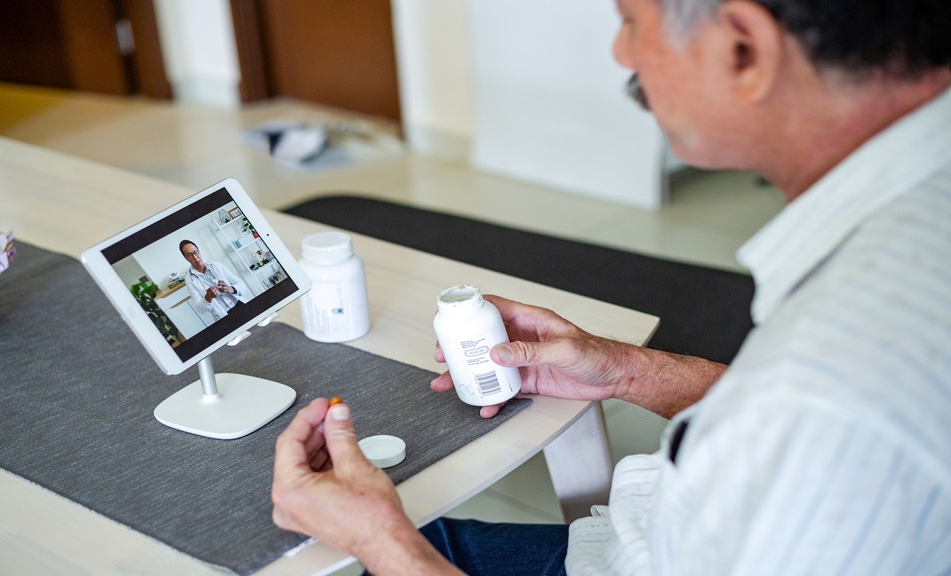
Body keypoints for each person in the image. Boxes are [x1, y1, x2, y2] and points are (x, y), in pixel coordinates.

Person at [271, 0, 951, 573]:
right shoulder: (904, 222)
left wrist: (381, 540)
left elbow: (819, 422)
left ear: (744, 48)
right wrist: (627, 372)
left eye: (631, 19)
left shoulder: (846, 385)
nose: (623, 53)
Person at [179, 239, 244, 321]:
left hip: (240, 304)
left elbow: (241, 284)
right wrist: (208, 297)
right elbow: (200, 309)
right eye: (190, 255)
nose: (195, 257)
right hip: (223, 316)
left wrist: (232, 289)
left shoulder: (216, 265)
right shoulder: (190, 280)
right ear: (186, 258)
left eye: (195, 252)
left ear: (199, 251)